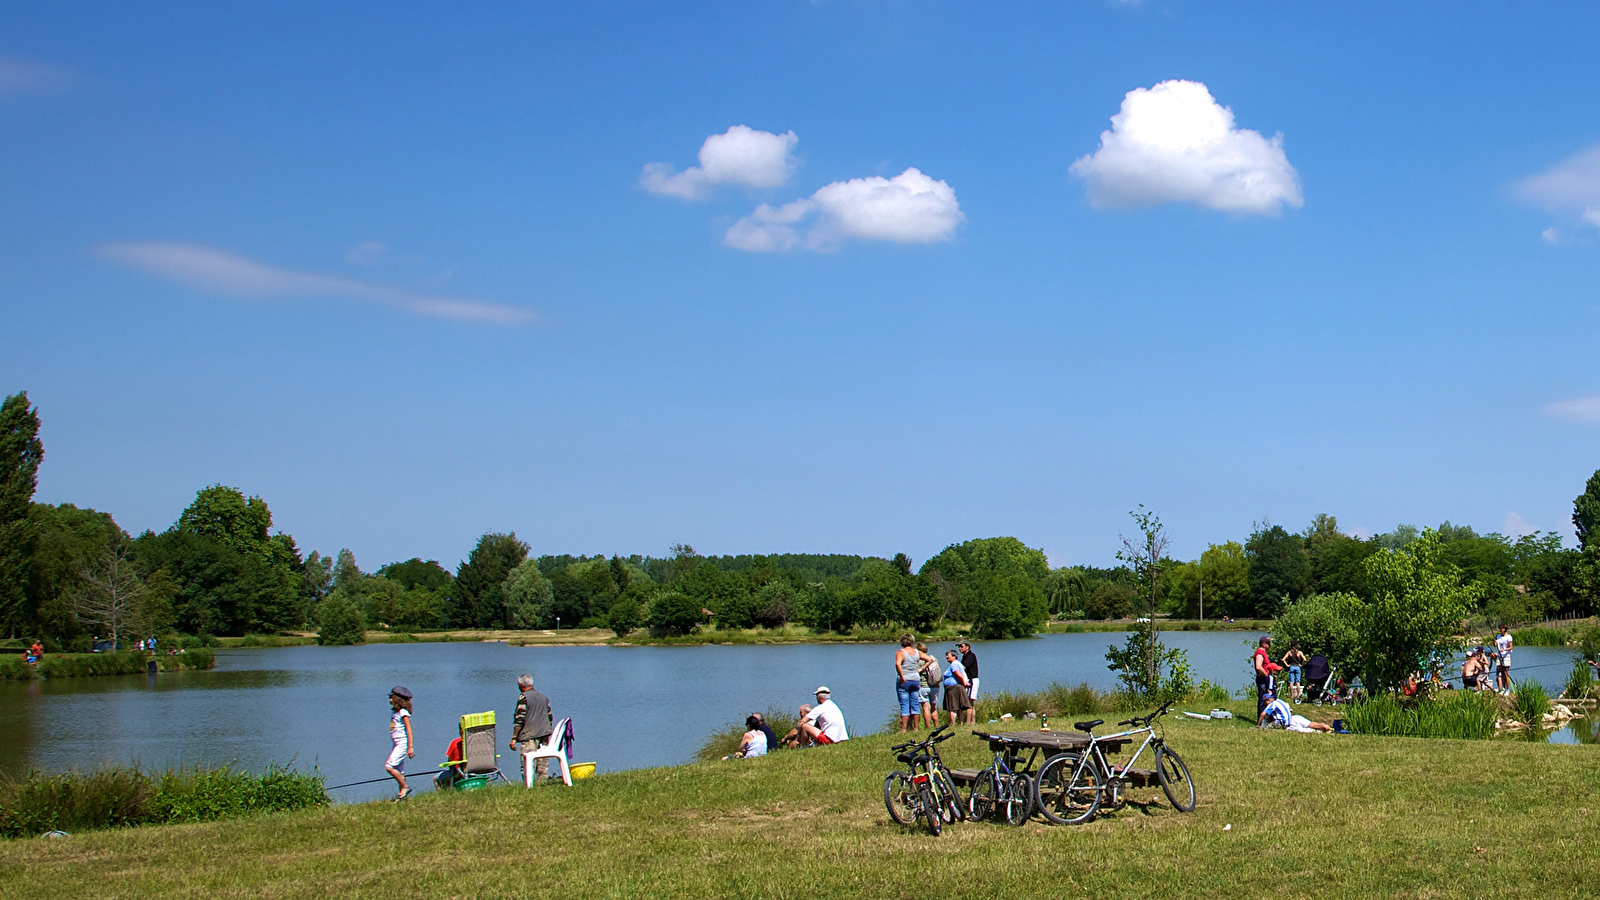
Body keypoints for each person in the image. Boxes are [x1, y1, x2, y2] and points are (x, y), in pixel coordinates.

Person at [509, 673, 554, 784]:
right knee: (543, 765)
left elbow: (520, 719)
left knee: (527, 764)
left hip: (529, 736)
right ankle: (542, 784)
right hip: (544, 734)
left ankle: (528, 785)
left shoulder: (523, 697)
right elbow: (550, 717)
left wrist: (514, 738)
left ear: (521, 685)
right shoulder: (543, 696)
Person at [894, 635, 936, 733]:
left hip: (904, 680)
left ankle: (903, 729)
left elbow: (897, 664)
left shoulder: (900, 652)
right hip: (915, 680)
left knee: (904, 705)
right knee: (915, 704)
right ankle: (915, 728)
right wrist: (920, 669)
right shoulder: (917, 652)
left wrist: (902, 676)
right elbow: (930, 659)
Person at [385, 686, 415, 801]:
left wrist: (410, 747)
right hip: (396, 744)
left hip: (402, 744)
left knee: (389, 766)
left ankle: (404, 787)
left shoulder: (403, 712)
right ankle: (402, 797)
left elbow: (409, 730)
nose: (389, 700)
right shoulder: (394, 712)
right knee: (399, 771)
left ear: (397, 699)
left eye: (391, 697)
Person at [1258, 693, 1333, 733]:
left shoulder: (1272, 704)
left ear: (1268, 700)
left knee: (1303, 730)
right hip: (1295, 717)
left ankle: (1318, 732)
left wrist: (1258, 725)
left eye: (1265, 704)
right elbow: (1290, 710)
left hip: (1288, 723)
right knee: (1311, 724)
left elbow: (1262, 714)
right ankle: (1322, 725)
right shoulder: (1281, 701)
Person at [1253, 636, 1282, 724]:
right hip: (1262, 679)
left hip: (1265, 679)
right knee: (1263, 699)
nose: (1270, 645)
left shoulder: (1263, 653)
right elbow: (1258, 666)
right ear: (1264, 644)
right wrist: (1266, 676)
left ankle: (1269, 718)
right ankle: (1261, 721)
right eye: (1268, 643)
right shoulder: (1260, 653)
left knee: (1269, 698)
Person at [940, 649, 972, 728]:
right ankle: (960, 723)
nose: (946, 657)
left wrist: (963, 682)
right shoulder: (956, 664)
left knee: (953, 707)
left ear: (954, 656)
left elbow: (958, 674)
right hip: (956, 687)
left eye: (948, 655)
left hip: (954, 687)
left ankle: (953, 724)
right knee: (959, 707)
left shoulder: (954, 664)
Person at [916, 642, 940, 729]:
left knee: (926, 707)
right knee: (934, 707)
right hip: (935, 686)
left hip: (923, 686)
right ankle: (937, 726)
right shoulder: (933, 658)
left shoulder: (919, 661)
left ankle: (928, 727)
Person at [958, 641, 980, 723]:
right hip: (970, 680)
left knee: (969, 702)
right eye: (959, 647)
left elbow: (963, 667)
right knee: (970, 703)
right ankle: (972, 722)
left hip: (972, 680)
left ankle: (968, 722)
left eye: (961, 646)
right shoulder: (965, 656)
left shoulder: (970, 656)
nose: (960, 648)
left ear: (967, 647)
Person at [1494, 625, 1514, 693]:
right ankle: (1503, 688)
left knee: (1506, 673)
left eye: (1501, 628)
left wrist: (1504, 650)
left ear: (1505, 629)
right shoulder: (1498, 636)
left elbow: (1511, 647)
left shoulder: (1509, 637)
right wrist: (1494, 642)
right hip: (1499, 656)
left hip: (1506, 656)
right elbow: (1495, 645)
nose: (1500, 630)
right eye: (1499, 628)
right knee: (1501, 673)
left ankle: (1508, 689)